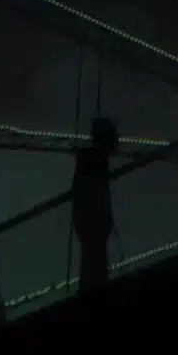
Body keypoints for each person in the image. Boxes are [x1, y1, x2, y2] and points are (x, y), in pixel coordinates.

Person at [71, 118, 118, 294]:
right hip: (94, 228)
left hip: (91, 228)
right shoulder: (95, 165)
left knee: (92, 269)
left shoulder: (90, 163)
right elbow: (96, 197)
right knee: (95, 270)